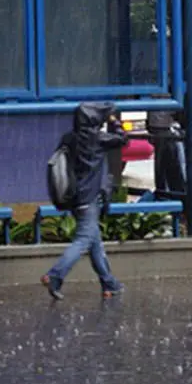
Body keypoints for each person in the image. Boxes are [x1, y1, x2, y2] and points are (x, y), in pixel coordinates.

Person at [41, 102, 128, 300]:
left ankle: (109, 283)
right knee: (82, 241)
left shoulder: (69, 138)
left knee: (95, 244)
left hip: (74, 198)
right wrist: (114, 121)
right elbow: (123, 139)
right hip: (90, 199)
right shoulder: (98, 139)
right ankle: (54, 275)